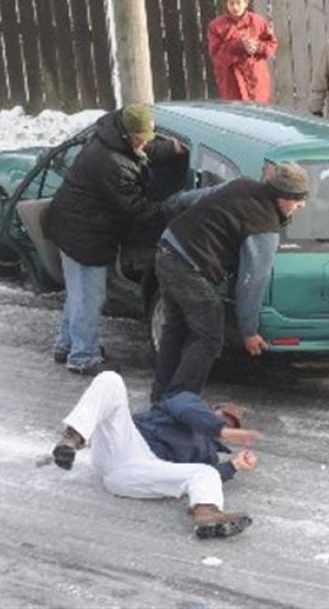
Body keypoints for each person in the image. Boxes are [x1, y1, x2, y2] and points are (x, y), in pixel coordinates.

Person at [151, 162, 310, 404]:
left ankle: (161, 398)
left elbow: (193, 198)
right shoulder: (264, 226)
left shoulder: (242, 184)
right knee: (209, 337)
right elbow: (252, 281)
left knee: (176, 328)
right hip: (189, 268)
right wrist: (249, 331)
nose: (302, 205)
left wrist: (168, 206)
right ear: (283, 196)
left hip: (167, 248)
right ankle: (179, 404)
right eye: (298, 199)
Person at [45, 105, 185, 376]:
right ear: (125, 134)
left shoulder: (111, 136)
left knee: (78, 292)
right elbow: (137, 209)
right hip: (85, 236)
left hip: (73, 225)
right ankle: (83, 357)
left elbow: (142, 150)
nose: (143, 143)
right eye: (138, 138)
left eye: (146, 137)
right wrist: (175, 206)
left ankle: (67, 344)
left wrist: (172, 149)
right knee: (90, 296)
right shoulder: (111, 163)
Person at [52, 371, 261, 539]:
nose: (227, 426)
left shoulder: (210, 455)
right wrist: (219, 430)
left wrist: (234, 465)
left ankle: (207, 517)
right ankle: (73, 438)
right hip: (125, 446)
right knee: (110, 380)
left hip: (140, 476)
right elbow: (188, 409)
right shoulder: (187, 402)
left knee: (206, 473)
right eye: (224, 418)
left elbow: (197, 478)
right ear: (212, 409)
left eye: (232, 426)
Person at [207, 0, 277, 102]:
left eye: (238, 2)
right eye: (231, 3)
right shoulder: (217, 26)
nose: (235, 7)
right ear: (226, 4)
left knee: (261, 114)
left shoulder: (258, 22)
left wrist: (258, 47)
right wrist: (238, 45)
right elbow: (216, 55)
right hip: (232, 82)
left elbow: (272, 44)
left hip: (257, 80)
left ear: (246, 3)